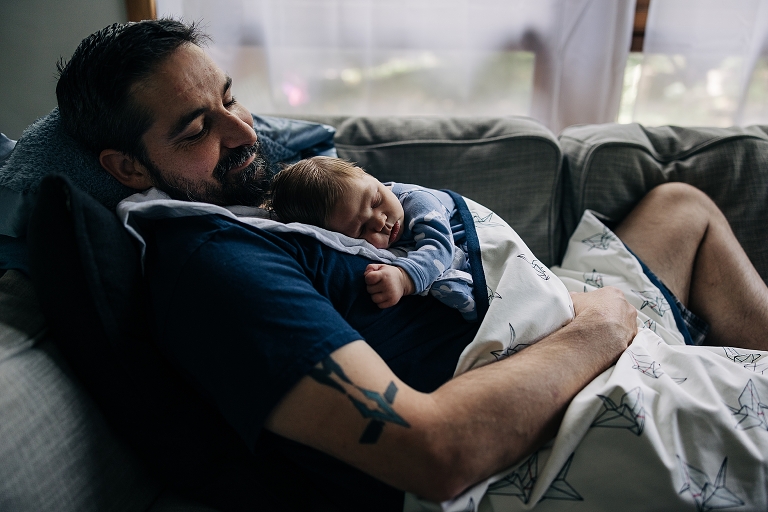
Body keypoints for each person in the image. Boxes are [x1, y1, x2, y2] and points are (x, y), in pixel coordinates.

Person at [54, 18, 768, 511]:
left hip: (550, 332)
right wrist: (603, 324)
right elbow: (436, 454)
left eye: (230, 99)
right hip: (561, 403)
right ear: (127, 166)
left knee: (678, 205)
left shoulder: (260, 205)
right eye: (196, 128)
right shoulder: (214, 268)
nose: (245, 131)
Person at [269, 156, 477, 318]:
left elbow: (440, 247)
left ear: (365, 174)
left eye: (375, 201)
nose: (379, 222)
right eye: (361, 230)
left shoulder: (419, 202)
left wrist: (404, 277)